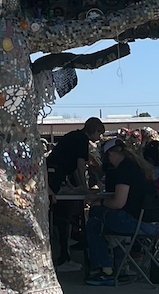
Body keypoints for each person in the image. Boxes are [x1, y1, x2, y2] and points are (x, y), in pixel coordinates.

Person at [84, 138, 156, 286]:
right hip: (152, 222)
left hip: (134, 222)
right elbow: (128, 196)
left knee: (93, 221)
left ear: (111, 155)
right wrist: (101, 198)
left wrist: (99, 202)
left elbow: (118, 203)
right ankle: (121, 265)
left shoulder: (124, 169)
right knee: (101, 219)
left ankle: (105, 270)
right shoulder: (138, 166)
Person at [47, 117, 104, 272]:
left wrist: (78, 187)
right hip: (54, 177)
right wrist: (84, 187)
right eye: (99, 133)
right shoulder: (81, 140)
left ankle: (65, 254)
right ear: (94, 130)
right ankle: (63, 256)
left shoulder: (73, 136)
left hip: (55, 174)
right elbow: (79, 165)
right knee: (62, 216)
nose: (99, 138)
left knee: (61, 217)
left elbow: (71, 167)